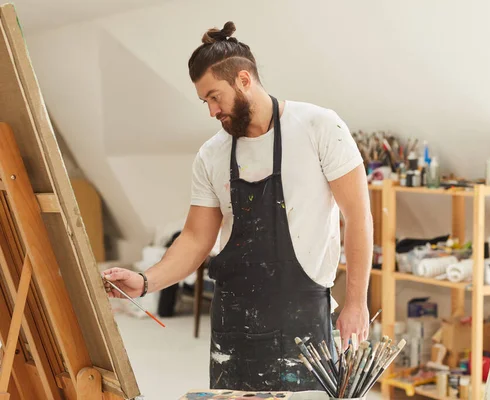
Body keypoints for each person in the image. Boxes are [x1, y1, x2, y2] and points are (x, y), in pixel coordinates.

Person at [102, 21, 373, 392]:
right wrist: (145, 281)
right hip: (234, 320)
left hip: (303, 320)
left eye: (215, 97)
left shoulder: (319, 127)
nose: (212, 110)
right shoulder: (212, 155)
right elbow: (196, 238)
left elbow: (358, 217)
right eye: (205, 101)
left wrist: (356, 303)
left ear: (244, 80)